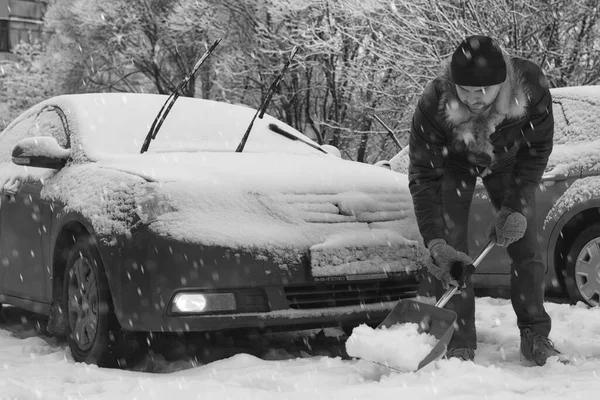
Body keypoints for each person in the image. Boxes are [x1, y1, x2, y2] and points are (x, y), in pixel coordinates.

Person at [408, 35, 561, 365]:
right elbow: (423, 175)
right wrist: (435, 241)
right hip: (454, 165)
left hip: (507, 162)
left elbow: (537, 150)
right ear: (453, 83)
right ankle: (458, 339)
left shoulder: (530, 87)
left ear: (502, 81)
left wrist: (516, 206)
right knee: (451, 250)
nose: (476, 99)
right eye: (466, 91)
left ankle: (535, 332)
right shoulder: (434, 103)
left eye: (484, 91)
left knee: (525, 246)